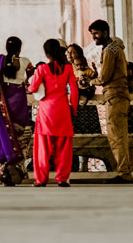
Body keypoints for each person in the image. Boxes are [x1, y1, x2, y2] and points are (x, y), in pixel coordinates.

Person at [28, 39, 79, 187]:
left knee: (43, 146)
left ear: (46, 53)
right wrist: (74, 110)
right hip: (62, 110)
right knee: (64, 146)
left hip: (46, 111)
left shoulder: (42, 69)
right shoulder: (68, 68)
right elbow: (74, 92)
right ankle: (62, 178)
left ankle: (41, 179)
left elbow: (32, 88)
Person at [89, 19, 133, 182]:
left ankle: (124, 173)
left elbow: (105, 76)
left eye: (96, 34)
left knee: (116, 137)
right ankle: (125, 171)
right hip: (120, 95)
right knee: (120, 135)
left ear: (105, 32)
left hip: (114, 95)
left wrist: (91, 81)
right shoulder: (117, 48)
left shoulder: (109, 50)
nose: (95, 38)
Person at [0, 35, 33, 185]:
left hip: (1, 102)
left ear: (6, 47)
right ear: (20, 48)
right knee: (21, 135)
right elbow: (32, 77)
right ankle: (13, 166)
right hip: (19, 101)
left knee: (2, 133)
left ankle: (3, 168)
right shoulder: (26, 62)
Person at [66, 43, 101, 133]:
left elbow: (92, 79)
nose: (70, 54)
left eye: (73, 52)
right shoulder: (66, 67)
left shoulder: (84, 67)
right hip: (70, 101)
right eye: (68, 52)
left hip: (84, 99)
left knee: (88, 126)